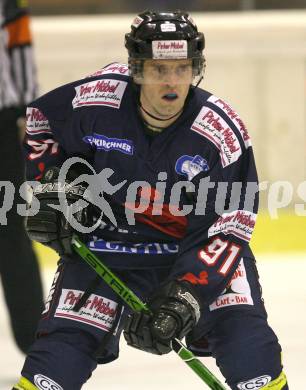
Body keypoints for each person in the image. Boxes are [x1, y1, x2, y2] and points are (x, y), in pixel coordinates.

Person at [13, 10, 288, 390]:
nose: (172, 82)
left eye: (182, 68)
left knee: (251, 354)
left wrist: (186, 296)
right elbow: (42, 122)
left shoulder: (219, 133)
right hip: (108, 245)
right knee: (57, 360)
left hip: (190, 255)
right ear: (137, 69)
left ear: (196, 68)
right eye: (159, 69)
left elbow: (229, 228)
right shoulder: (98, 101)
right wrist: (53, 188)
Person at [0, 0, 43, 354]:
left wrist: (29, 114)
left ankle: (35, 342)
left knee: (10, 230)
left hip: (1, 121)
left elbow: (19, 46)